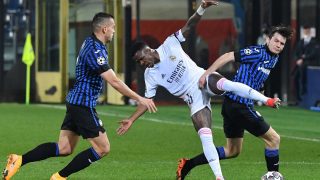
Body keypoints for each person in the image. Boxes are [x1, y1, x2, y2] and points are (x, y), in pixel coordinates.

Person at [116, 1, 280, 179]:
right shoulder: (150, 75)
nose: (142, 64)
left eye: (141, 59)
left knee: (226, 84)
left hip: (202, 79)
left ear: (148, 50)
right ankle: (219, 177)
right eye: (138, 63)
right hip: (193, 99)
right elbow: (147, 101)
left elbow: (190, 25)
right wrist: (132, 120)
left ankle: (266, 100)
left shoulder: (169, 44)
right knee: (206, 136)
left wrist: (202, 8)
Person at [2, 12, 157, 180]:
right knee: (103, 148)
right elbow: (114, 81)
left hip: (76, 101)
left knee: (64, 148)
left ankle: (19, 160)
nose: (114, 31)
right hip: (83, 104)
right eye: (113, 28)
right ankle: (59, 177)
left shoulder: (92, 43)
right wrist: (140, 98)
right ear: (105, 29)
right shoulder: (95, 49)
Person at [176, 25, 293, 179]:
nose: (278, 45)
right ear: (268, 39)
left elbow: (258, 76)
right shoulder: (257, 52)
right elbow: (228, 56)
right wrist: (207, 74)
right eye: (276, 41)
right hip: (239, 105)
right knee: (274, 139)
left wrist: (262, 92)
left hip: (231, 105)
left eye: (282, 43)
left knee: (232, 151)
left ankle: (188, 164)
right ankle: (273, 176)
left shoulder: (274, 58)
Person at [293, 25, 319, 102]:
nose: (306, 32)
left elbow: (314, 53)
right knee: (295, 77)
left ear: (310, 31)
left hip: (309, 63)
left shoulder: (314, 41)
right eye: (305, 30)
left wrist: (303, 58)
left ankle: (303, 90)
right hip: (300, 64)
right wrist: (298, 60)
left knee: (303, 74)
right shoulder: (301, 41)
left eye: (307, 30)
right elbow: (295, 53)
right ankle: (298, 96)